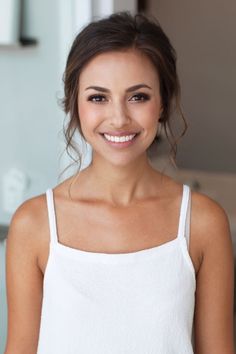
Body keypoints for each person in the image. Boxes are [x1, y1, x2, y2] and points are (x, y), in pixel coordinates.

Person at [4, 11, 234, 354]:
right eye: (98, 97)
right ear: (74, 105)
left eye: (138, 96)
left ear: (162, 103)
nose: (119, 118)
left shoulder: (202, 223)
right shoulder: (33, 225)